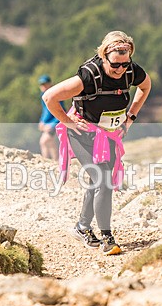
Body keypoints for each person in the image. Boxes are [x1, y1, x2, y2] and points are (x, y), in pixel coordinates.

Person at [42, 31, 151, 256]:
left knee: (98, 180)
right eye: (115, 65)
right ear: (104, 56)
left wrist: (130, 117)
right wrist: (67, 122)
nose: (120, 69)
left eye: (125, 64)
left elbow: (146, 86)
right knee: (103, 180)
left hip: (108, 135)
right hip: (82, 134)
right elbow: (49, 97)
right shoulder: (89, 76)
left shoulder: (132, 71)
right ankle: (107, 238)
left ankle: (82, 227)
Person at [37, 74, 63, 160]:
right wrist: (42, 121)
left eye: (45, 84)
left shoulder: (55, 95)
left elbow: (60, 111)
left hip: (55, 121)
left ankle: (46, 160)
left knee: (44, 141)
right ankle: (56, 161)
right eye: (41, 84)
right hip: (49, 122)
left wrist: (52, 124)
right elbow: (45, 111)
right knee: (50, 142)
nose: (43, 86)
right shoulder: (43, 95)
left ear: (50, 84)